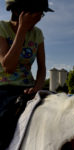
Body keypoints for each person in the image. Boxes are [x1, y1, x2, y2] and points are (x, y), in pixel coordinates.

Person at [0, 0, 54, 149]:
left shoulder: (38, 34)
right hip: (5, 88)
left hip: (29, 88)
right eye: (36, 12)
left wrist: (37, 87)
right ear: (18, 11)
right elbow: (8, 66)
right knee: (4, 119)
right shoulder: (2, 28)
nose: (39, 17)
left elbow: (42, 68)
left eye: (42, 13)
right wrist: (22, 30)